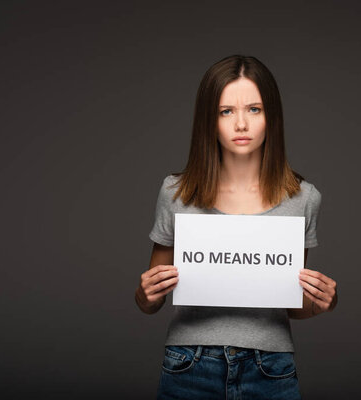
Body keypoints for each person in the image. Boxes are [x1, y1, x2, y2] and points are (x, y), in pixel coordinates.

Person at [135, 55, 338, 399]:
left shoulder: (302, 198)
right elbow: (149, 302)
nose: (241, 124)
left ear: (271, 116)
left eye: (254, 109)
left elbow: (291, 303)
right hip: (189, 363)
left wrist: (322, 302)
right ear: (208, 121)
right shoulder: (176, 193)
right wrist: (145, 293)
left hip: (270, 367)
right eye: (226, 111)